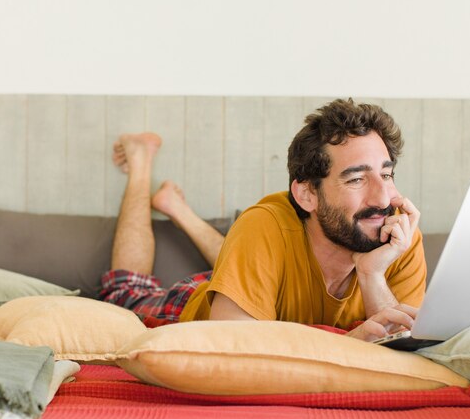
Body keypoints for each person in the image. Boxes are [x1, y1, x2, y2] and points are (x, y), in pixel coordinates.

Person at [100, 99, 427, 341]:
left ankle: (178, 208)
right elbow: (233, 349)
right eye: (356, 179)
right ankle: (140, 163)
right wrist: (349, 345)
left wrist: (372, 276)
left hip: (257, 286)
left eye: (386, 175)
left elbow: (402, 348)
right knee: (126, 292)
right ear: (307, 195)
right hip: (197, 304)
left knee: (256, 250)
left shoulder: (399, 236)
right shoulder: (265, 224)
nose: (383, 199)